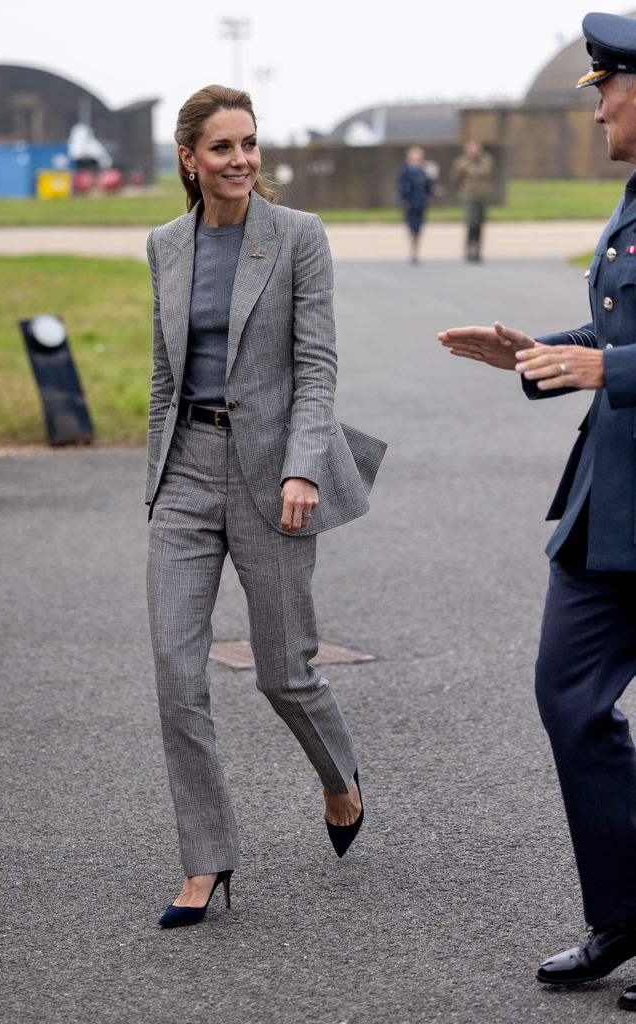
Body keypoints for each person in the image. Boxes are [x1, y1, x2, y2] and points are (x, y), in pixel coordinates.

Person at [145, 84, 387, 929]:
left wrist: (303, 469)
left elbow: (317, 366)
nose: (241, 159)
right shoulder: (165, 245)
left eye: (249, 143)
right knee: (176, 674)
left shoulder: (298, 237)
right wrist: (154, 480)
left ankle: (339, 775)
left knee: (284, 671)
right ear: (189, 158)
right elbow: (165, 374)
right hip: (184, 473)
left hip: (274, 473)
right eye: (222, 146)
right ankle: (206, 859)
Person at [438, 12, 636, 1013]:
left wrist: (611, 369)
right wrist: (538, 354)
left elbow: (623, 356)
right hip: (610, 507)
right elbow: (618, 328)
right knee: (568, 699)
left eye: (608, 87)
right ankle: (624, 913)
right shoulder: (632, 197)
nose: (596, 107)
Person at [449, 139, 494, 262]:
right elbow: (456, 177)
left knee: (480, 224)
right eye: (471, 148)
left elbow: (489, 173)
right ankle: (469, 248)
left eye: (476, 148)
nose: (474, 151)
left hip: (482, 196)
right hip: (469, 196)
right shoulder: (462, 162)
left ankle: (478, 249)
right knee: (471, 224)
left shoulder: (486, 160)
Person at [396, 146, 440, 263]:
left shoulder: (424, 172)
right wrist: (403, 201)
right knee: (411, 226)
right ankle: (413, 248)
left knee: (419, 228)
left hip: (421, 203)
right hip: (410, 203)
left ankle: (416, 248)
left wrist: (435, 192)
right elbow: (400, 188)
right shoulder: (404, 171)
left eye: (419, 159)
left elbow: (428, 188)